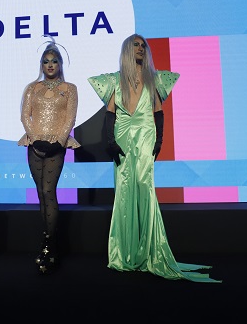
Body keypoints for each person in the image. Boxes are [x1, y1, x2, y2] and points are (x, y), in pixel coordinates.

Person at [88, 34, 220, 283]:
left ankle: (149, 251)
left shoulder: (153, 79)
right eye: (135, 45)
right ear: (127, 50)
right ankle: (125, 253)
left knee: (144, 186)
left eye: (143, 45)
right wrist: (110, 141)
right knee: (124, 190)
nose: (140, 48)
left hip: (146, 133)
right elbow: (110, 113)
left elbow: (158, 112)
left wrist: (159, 141)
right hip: (122, 134)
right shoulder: (116, 79)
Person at [18, 35, 80, 274]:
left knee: (48, 191)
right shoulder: (32, 88)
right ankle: (49, 242)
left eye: (54, 61)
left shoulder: (70, 89)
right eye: (46, 61)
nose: (50, 65)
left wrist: (59, 141)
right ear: (41, 65)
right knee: (40, 195)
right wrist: (35, 139)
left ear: (60, 64)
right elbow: (25, 116)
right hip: (34, 145)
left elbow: (70, 118)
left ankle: (49, 244)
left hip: (56, 146)